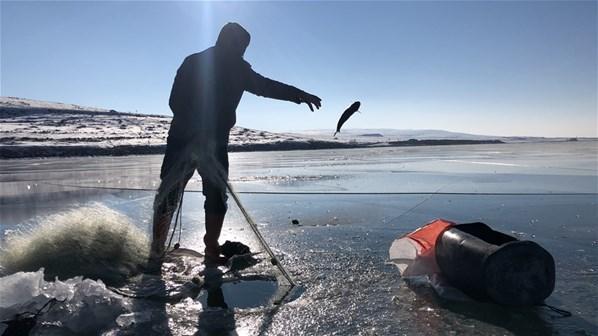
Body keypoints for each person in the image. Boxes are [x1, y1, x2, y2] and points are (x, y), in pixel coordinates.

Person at [150, 22, 321, 264]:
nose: (240, 50)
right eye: (238, 44)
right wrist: (197, 130)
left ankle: (211, 248)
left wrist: (298, 95)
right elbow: (176, 101)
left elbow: (267, 86)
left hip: (216, 143)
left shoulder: (240, 70)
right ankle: (156, 250)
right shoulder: (194, 62)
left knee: (218, 194)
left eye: (243, 47)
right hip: (182, 140)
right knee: (169, 193)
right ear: (224, 40)